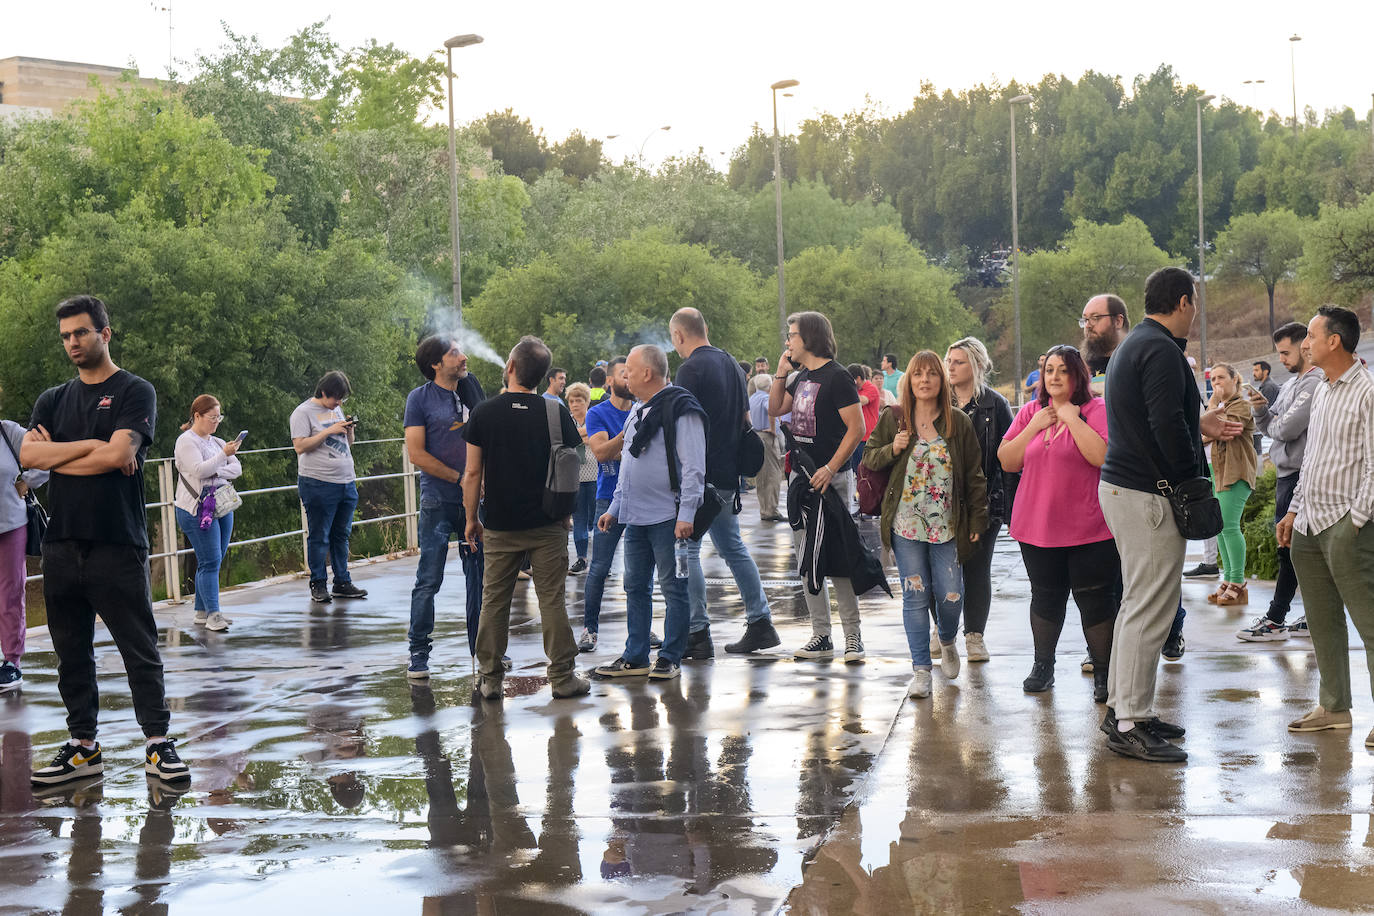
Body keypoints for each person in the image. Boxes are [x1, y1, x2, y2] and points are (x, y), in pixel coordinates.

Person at [23, 295, 190, 786]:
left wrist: (66, 455)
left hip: (117, 542)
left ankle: (158, 744)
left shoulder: (136, 391)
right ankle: (83, 748)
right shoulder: (53, 399)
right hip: (62, 544)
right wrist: (93, 448)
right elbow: (30, 457)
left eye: (81, 332)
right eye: (66, 336)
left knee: (139, 648)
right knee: (70, 650)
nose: (73, 342)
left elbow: (120, 453)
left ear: (105, 333)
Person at [1096, 267, 1243, 763]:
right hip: (1147, 493)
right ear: (1182, 302)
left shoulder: (1136, 344)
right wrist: (1190, 481)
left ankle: (1126, 708)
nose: (1195, 311)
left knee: (1140, 603)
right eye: (1194, 302)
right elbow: (1162, 424)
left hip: (1127, 488)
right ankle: (1129, 722)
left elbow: (1155, 416)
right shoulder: (1160, 349)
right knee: (1150, 607)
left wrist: (1195, 423)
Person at [462, 335, 590, 701]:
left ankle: (490, 680)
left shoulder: (484, 413)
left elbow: (472, 474)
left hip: (500, 525)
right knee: (551, 600)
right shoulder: (556, 412)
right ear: (543, 375)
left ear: (511, 368)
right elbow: (573, 465)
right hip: (548, 524)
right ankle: (563, 679)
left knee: (494, 601)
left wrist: (472, 519)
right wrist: (565, 514)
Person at [864, 351, 987, 699]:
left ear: (941, 380)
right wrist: (893, 447)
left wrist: (978, 516)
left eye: (932, 373)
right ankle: (920, 670)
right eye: (918, 374)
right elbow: (870, 457)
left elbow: (975, 475)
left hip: (947, 526)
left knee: (951, 595)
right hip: (906, 527)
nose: (924, 380)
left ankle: (947, 638)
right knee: (915, 597)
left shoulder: (958, 423)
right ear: (909, 381)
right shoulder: (894, 418)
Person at [999, 345, 1117, 701]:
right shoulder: (1032, 413)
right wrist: (1034, 424)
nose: (1054, 377)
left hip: (1090, 527)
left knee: (1095, 601)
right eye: (1049, 369)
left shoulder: (1097, 410)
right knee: (1045, 598)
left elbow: (1101, 456)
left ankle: (1103, 673)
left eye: (1062, 370)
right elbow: (1007, 460)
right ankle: (1043, 667)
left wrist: (1070, 418)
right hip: (1037, 526)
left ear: (1077, 375)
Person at [1278, 306, 1374, 745]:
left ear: (1334, 341)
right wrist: (1294, 510)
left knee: (1370, 623)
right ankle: (1335, 708)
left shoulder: (1367, 391)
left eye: (1311, 336)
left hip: (1346, 525)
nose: (1305, 344)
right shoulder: (1322, 390)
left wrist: (1357, 520)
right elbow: (1312, 458)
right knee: (1321, 621)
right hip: (1309, 523)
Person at [669, 308, 780, 657]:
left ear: (679, 336)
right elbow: (745, 418)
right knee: (733, 547)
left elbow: (681, 425)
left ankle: (698, 631)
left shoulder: (690, 369)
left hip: (700, 476)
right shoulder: (732, 363)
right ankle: (761, 621)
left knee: (687, 550)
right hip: (728, 474)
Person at [592, 345, 705, 682]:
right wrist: (615, 508)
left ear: (647, 373)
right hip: (636, 517)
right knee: (635, 586)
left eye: (628, 369)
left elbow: (694, 467)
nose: (623, 376)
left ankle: (670, 656)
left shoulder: (682, 409)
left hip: (670, 519)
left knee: (674, 588)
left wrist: (686, 514)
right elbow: (628, 465)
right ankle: (636, 656)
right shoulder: (638, 409)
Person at [771, 311, 868, 662]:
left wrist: (831, 467)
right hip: (801, 480)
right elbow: (774, 408)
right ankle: (820, 635)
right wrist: (782, 372)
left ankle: (853, 637)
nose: (788, 341)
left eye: (792, 335)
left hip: (832, 479)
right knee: (807, 559)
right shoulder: (800, 377)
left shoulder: (838, 377)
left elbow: (857, 429)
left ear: (809, 337)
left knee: (839, 558)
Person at [402, 335, 485, 679]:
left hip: (477, 500)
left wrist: (480, 484)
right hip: (438, 499)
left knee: (479, 579)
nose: (463, 357)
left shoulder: (472, 392)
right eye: (455, 353)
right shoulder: (419, 399)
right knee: (429, 579)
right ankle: (418, 653)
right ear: (436, 364)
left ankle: (483, 651)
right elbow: (417, 454)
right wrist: (459, 478)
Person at [1238, 322, 1321, 641]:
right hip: (1287, 475)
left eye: (1286, 352)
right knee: (1292, 549)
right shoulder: (1290, 384)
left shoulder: (1313, 384)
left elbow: (1284, 430)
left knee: (1290, 549)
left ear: (1304, 346)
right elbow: (1271, 421)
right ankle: (1309, 615)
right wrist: (1261, 410)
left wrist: (1271, 421)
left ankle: (1276, 619)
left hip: (1300, 474)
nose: (1282, 359)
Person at [945, 337, 1014, 663]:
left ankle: (974, 636)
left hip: (984, 501)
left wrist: (1009, 506)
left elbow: (1008, 460)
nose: (950, 367)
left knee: (976, 570)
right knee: (943, 570)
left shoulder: (995, 405)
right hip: (939, 502)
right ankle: (943, 630)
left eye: (958, 361)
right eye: (949, 360)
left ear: (975, 366)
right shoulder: (937, 401)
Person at [291, 371, 367, 604]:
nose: (339, 403)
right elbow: (300, 446)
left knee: (341, 535)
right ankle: (318, 582)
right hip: (318, 482)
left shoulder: (336, 410)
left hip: (346, 480)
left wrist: (349, 430)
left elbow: (347, 444)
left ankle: (342, 581)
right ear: (323, 392)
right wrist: (327, 431)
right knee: (319, 535)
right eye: (336, 398)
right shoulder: (302, 412)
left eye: (342, 399)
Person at [173, 395, 243, 634]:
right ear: (197, 416)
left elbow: (237, 469)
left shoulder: (217, 442)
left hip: (222, 504)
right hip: (196, 508)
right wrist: (222, 457)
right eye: (212, 417)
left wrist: (218, 464)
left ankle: (202, 611)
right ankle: (214, 614)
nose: (216, 422)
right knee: (210, 560)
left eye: (219, 417)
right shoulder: (186, 442)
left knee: (216, 558)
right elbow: (198, 470)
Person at [0, 413, 48, 693]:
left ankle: (11, 662)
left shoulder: (10, 433)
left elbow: (44, 458)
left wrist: (27, 481)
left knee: (11, 593)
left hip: (10, 525)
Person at [1203, 364, 1257, 607]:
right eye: (1213, 379)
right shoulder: (1221, 408)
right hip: (1219, 473)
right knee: (1220, 528)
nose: (1217, 383)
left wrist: (1212, 407)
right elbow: (1206, 432)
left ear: (1235, 379)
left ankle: (1238, 582)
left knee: (1230, 527)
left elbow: (1218, 429)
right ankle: (1229, 578)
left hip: (1237, 473)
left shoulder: (1241, 406)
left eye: (1221, 377)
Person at [565, 382, 600, 575]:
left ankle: (602, 561)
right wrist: (587, 437)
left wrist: (578, 438)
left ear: (587, 402)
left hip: (596, 475)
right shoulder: (567, 420)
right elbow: (565, 439)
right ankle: (581, 558)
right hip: (575, 476)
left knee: (598, 519)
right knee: (579, 519)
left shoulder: (594, 418)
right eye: (572, 400)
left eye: (579, 400)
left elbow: (600, 438)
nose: (575, 404)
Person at [749, 374, 785, 522]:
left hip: (755, 436)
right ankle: (771, 510)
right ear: (770, 386)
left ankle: (765, 509)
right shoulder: (766, 398)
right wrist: (772, 428)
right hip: (767, 437)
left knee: (762, 476)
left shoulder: (751, 398)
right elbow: (771, 408)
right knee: (773, 474)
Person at [1082, 294, 1129, 391]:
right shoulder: (1081, 369)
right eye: (1085, 320)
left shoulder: (1137, 362)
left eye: (1095, 318)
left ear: (1118, 321)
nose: (1088, 326)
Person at [848, 364, 882, 481]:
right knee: (856, 471)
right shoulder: (856, 390)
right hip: (855, 436)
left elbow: (862, 401)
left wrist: (847, 391)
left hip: (868, 437)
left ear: (857, 378)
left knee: (867, 472)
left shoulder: (871, 388)